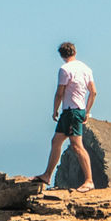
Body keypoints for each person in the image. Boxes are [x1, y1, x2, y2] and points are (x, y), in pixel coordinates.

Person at [33, 41, 98, 191]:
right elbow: (93, 92)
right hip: (77, 110)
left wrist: (55, 110)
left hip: (71, 111)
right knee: (56, 141)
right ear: (74, 52)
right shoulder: (86, 68)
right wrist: (87, 111)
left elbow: (59, 93)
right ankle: (47, 175)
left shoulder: (64, 69)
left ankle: (89, 180)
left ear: (62, 55)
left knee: (77, 146)